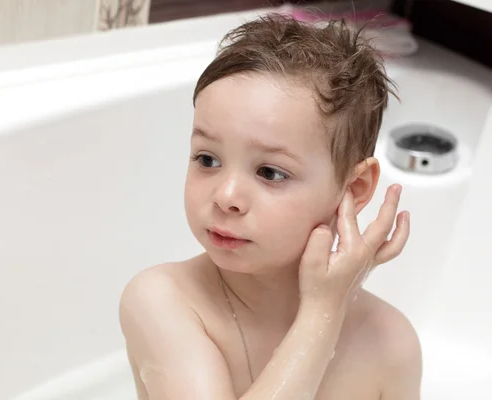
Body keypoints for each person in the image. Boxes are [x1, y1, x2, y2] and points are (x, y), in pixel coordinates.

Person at [119, 12, 422, 400]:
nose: (226, 196)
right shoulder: (162, 301)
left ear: (355, 188)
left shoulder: (390, 344)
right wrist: (321, 314)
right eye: (207, 159)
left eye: (269, 172)